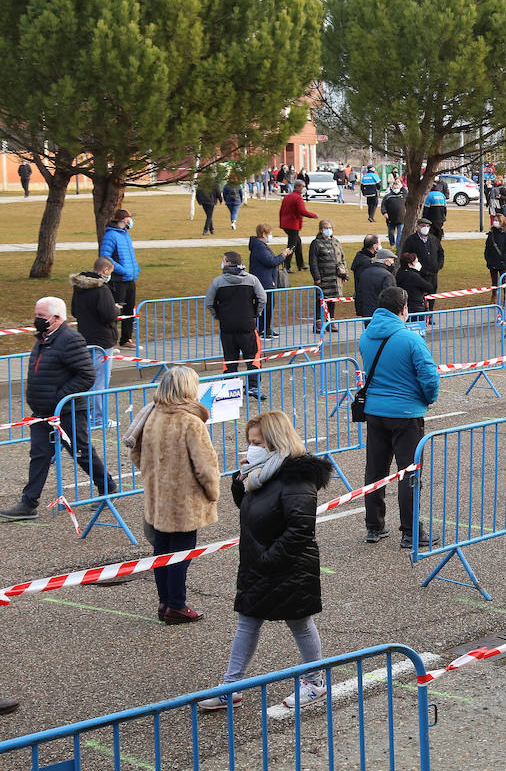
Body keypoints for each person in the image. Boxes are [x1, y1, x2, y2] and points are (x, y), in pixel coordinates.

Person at [198, 411, 333, 711]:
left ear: (275, 442)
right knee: (247, 621)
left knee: (299, 622)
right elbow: (251, 508)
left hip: (288, 565)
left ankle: (315, 683)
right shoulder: (258, 474)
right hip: (258, 563)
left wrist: (270, 559)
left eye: (257, 442)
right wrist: (239, 481)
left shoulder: (297, 477)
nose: (251, 448)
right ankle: (231, 687)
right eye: (250, 442)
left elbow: (300, 529)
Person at [1, 298, 119, 520]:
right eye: (36, 314)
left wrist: (59, 398)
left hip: (67, 412)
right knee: (39, 455)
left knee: (80, 451)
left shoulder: (70, 339)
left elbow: (86, 375)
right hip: (43, 413)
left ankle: (108, 487)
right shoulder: (44, 339)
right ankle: (28, 503)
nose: (37, 320)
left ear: (57, 318)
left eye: (41, 316)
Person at [127, 366, 219, 623]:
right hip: (184, 499)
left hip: (158, 495)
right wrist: (212, 492)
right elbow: (205, 465)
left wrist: (154, 474)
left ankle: (165, 601)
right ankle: (177, 604)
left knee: (162, 549)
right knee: (181, 552)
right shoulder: (190, 421)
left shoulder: (152, 414)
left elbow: (136, 453)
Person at [358, 287, 440, 547]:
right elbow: (429, 376)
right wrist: (427, 398)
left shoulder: (366, 336)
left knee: (375, 470)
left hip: (375, 410)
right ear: (403, 309)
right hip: (406, 413)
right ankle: (410, 531)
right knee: (409, 472)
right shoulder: (411, 339)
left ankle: (374, 526)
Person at [206, 252, 267, 397]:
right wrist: (255, 313)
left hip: (227, 327)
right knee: (253, 357)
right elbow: (262, 298)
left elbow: (209, 302)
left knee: (230, 358)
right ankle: (253, 386)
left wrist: (218, 316)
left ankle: (229, 388)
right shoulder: (252, 280)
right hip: (247, 325)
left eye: (223, 260)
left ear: (227, 263)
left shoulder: (218, 282)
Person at [69, 257, 119, 430]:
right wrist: (115, 309)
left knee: (89, 379)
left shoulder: (79, 288)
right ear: (105, 270)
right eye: (110, 272)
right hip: (101, 340)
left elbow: (74, 311)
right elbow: (108, 315)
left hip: (85, 337)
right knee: (100, 381)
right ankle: (98, 418)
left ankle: (87, 415)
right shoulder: (102, 290)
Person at [99, 209, 139, 348]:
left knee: (129, 311)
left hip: (130, 279)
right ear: (123, 220)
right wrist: (122, 270)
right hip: (118, 280)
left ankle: (126, 339)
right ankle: (111, 341)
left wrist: (135, 268)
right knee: (116, 310)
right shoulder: (111, 235)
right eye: (129, 218)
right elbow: (105, 256)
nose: (131, 221)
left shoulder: (125, 234)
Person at [248, 224, 292, 338]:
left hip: (268, 282)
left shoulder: (261, 246)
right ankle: (260, 329)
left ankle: (266, 328)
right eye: (269, 234)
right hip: (264, 283)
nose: (270, 236)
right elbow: (271, 262)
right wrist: (283, 255)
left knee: (269, 306)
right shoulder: (259, 247)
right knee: (264, 306)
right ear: (263, 234)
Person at [308, 221, 347, 331]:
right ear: (321, 229)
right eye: (326, 228)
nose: (328, 230)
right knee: (320, 300)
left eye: (330, 227)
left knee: (332, 299)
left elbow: (342, 258)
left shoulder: (336, 242)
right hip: (323, 277)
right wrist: (316, 277)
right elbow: (313, 262)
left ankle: (330, 321)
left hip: (335, 278)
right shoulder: (316, 243)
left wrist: (345, 274)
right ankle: (318, 322)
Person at [278, 181, 317, 273]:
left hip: (286, 224)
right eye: (303, 186)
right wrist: (313, 215)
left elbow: (281, 210)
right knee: (292, 246)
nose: (304, 188)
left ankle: (301, 264)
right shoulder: (298, 198)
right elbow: (302, 211)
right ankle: (286, 267)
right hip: (292, 224)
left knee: (297, 243)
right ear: (298, 187)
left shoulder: (288, 196)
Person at [402, 217, 445, 291]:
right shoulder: (411, 240)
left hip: (432, 274)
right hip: (419, 275)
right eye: (423, 226)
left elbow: (440, 252)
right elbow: (405, 255)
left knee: (432, 294)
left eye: (427, 226)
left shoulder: (434, 239)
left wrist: (438, 265)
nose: (425, 228)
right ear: (417, 226)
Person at [354, 249, 398, 321]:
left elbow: (359, 293)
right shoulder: (387, 276)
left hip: (367, 313)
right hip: (383, 314)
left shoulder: (365, 273)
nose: (393, 262)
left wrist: (360, 310)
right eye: (392, 259)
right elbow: (390, 297)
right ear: (386, 260)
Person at [484, 214, 506, 305]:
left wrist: (504, 258)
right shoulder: (491, 233)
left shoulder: (505, 233)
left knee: (504, 281)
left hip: (502, 262)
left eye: (497, 220)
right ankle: (494, 297)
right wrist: (487, 258)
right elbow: (487, 246)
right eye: (495, 220)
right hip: (492, 261)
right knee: (494, 282)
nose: (495, 222)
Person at [395, 251, 434, 316]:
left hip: (404, 305)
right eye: (416, 262)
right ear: (409, 264)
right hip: (415, 307)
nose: (418, 264)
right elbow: (429, 287)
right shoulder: (414, 276)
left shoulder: (400, 273)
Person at [381, 182, 407, 248]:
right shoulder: (388, 196)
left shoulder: (404, 196)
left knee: (400, 233)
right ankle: (392, 244)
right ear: (392, 188)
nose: (396, 189)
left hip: (401, 219)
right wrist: (384, 213)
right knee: (391, 233)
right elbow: (383, 206)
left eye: (397, 187)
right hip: (390, 219)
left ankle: (398, 246)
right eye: (394, 188)